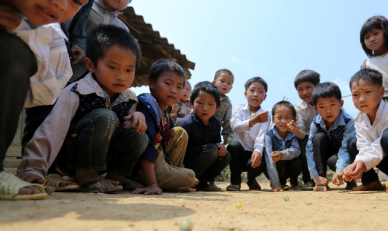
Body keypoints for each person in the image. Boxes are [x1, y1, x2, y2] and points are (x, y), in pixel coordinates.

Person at [17, 24, 148, 194]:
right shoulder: (76, 91)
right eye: (112, 67)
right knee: (105, 117)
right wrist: (33, 168)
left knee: (139, 134)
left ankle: (118, 174)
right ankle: (86, 174)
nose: (121, 76)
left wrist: (137, 116)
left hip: (102, 158)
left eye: (129, 69)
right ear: (91, 65)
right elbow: (52, 129)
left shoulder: (129, 98)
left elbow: (127, 129)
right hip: (70, 157)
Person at [0, 0, 86, 200]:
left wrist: (20, 28)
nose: (60, 5)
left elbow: (44, 94)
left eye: (77, 1)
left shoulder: (35, 29)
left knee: (15, 52)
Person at [131, 59, 197, 195]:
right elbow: (148, 144)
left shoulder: (165, 115)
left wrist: (180, 170)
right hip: (140, 167)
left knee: (180, 132)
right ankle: (146, 179)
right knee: (190, 176)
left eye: (179, 87)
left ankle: (173, 175)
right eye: (168, 84)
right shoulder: (148, 104)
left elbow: (174, 141)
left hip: (159, 162)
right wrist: (152, 184)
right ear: (151, 82)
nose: (174, 90)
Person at [177, 82, 231, 191]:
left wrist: (221, 147)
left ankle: (201, 182)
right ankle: (186, 180)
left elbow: (216, 142)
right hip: (185, 164)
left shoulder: (216, 123)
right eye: (200, 103)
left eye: (210, 104)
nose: (205, 108)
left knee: (226, 155)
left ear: (217, 107)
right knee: (211, 150)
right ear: (192, 103)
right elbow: (175, 149)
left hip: (204, 160)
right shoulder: (186, 123)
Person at [305, 82, 357, 192]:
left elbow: (344, 148)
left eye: (332, 105)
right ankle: (321, 179)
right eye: (322, 107)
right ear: (316, 109)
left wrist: (339, 170)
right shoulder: (316, 123)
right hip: (326, 152)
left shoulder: (348, 121)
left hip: (342, 154)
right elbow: (309, 149)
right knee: (318, 138)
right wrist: (315, 176)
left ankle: (349, 178)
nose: (328, 111)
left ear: (341, 103)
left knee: (334, 161)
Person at [69, 0, 131, 83]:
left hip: (88, 84)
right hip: (62, 66)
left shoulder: (123, 30)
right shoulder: (83, 5)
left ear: (127, 5)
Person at [226, 77, 271, 191]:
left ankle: (250, 178)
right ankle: (235, 183)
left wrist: (257, 152)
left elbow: (262, 137)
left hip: (252, 154)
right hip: (238, 155)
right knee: (234, 146)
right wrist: (254, 120)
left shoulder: (266, 115)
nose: (255, 94)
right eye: (252, 90)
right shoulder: (239, 109)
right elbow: (235, 127)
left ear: (264, 97)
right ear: (246, 94)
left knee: (260, 160)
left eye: (260, 91)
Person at [264, 101, 302, 192]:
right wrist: (275, 184)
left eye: (288, 117)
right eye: (279, 117)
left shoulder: (293, 134)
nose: (283, 121)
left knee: (298, 162)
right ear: (273, 119)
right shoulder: (269, 135)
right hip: (275, 168)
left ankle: (294, 180)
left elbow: (297, 151)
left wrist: (282, 154)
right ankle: (280, 183)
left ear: (294, 119)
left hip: (289, 167)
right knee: (272, 158)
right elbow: (269, 160)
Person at [293, 70, 320, 190]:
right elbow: (301, 132)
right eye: (300, 89)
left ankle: (322, 177)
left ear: (317, 86)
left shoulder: (327, 100)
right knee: (304, 142)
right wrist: (294, 130)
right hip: (306, 136)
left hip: (324, 136)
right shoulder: (298, 108)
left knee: (320, 139)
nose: (304, 92)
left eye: (308, 87)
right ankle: (308, 179)